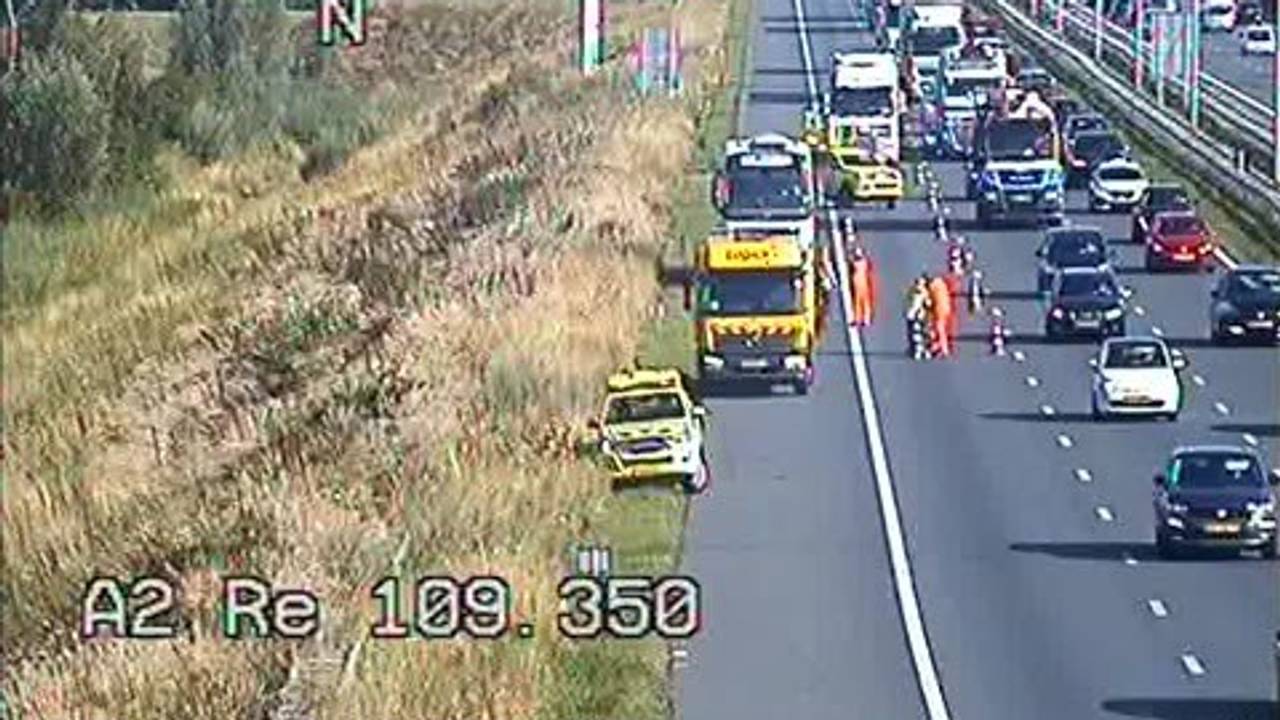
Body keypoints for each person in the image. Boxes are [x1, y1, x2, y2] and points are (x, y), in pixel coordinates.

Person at [849, 245, 877, 327]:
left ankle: (866, 319)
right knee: (857, 302)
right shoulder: (856, 262)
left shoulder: (864, 262)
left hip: (863, 284)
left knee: (865, 302)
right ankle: (857, 319)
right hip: (857, 284)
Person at [905, 275, 932, 359]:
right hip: (917, 315)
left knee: (919, 333)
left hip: (917, 315)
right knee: (917, 333)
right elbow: (928, 304)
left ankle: (921, 351)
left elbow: (928, 303)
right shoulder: (921, 292)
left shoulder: (918, 292)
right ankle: (920, 351)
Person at [927, 273, 954, 357]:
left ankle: (943, 349)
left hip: (939, 311)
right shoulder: (942, 285)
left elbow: (930, 301)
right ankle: (937, 347)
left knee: (939, 330)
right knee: (939, 329)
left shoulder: (933, 286)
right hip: (946, 309)